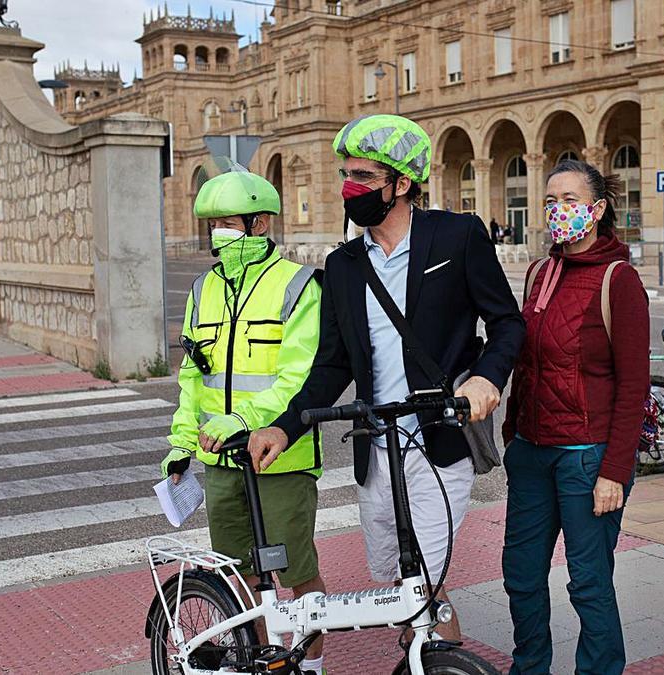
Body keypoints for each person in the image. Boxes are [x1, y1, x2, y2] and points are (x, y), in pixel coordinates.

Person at [249, 114, 525, 641]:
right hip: (377, 447)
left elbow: (508, 323)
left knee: (424, 580)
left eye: (364, 177)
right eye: (346, 175)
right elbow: (331, 367)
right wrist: (284, 428)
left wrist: (487, 379)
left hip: (440, 441)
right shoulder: (345, 264)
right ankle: (423, 646)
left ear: (402, 184)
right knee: (405, 579)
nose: (350, 188)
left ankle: (439, 655)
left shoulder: (457, 236)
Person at [160, 170, 328, 675]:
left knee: (297, 574)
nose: (218, 234)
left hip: (280, 458)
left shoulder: (296, 284)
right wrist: (180, 443)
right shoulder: (201, 290)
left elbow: (297, 375)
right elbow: (193, 377)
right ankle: (259, 662)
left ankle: (312, 666)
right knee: (237, 578)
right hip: (221, 462)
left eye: (227, 223)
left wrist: (242, 418)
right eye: (212, 224)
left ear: (261, 222)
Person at [500, 159, 651, 675]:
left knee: (588, 581)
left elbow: (633, 386)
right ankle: (530, 667)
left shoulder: (618, 279)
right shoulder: (540, 273)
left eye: (568, 200)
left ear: (598, 208)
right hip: (531, 452)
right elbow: (525, 360)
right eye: (550, 201)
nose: (557, 210)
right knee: (520, 574)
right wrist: (512, 434)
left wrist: (614, 471)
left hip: (587, 459)